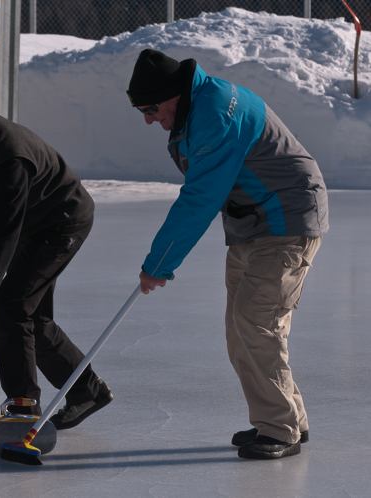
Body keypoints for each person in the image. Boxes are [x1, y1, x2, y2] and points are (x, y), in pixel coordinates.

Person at [126, 49, 328, 460]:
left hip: (285, 218)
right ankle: (287, 418)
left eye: (149, 108)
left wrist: (159, 264)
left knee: (256, 321)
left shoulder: (215, 113)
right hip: (252, 224)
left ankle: (279, 428)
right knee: (242, 328)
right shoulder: (198, 104)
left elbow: (200, 197)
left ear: (171, 95)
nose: (147, 119)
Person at [0, 92, 113, 429]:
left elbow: (4, 241)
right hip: (32, 219)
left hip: (61, 222)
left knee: (11, 306)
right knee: (30, 315)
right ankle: (86, 391)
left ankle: (23, 404)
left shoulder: (9, 160)